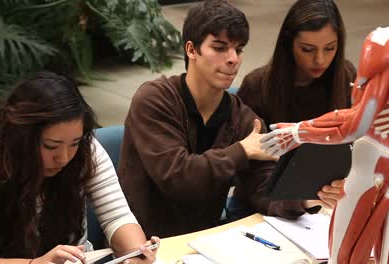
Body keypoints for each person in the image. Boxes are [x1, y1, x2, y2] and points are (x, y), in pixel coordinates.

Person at [117, 0, 330, 239]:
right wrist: (240, 151)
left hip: (205, 244)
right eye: (219, 48)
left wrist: (304, 198)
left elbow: (263, 187)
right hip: (145, 245)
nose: (233, 59)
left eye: (238, 50)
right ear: (191, 50)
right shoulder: (155, 99)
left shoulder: (242, 117)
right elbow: (177, 177)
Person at [260, 0, 389, 262]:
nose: (319, 58)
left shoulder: (387, 40)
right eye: (308, 49)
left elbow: (358, 123)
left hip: (377, 163)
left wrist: (298, 133)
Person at [0, 72, 158, 264]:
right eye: (51, 146)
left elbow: (117, 217)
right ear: (20, 137)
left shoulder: (87, 151)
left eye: (74, 142)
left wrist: (136, 253)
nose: (64, 157)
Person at [237, 0, 356, 208]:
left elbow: (356, 148)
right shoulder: (257, 86)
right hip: (266, 208)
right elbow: (252, 176)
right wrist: (303, 202)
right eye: (307, 49)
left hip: (329, 205)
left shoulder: (345, 77)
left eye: (330, 48)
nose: (319, 59)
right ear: (288, 43)